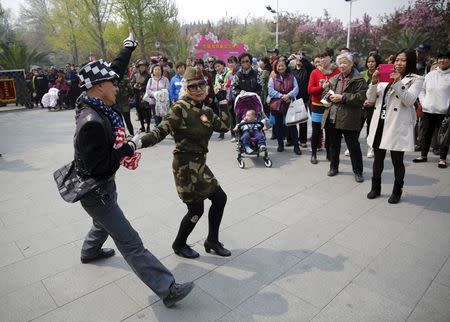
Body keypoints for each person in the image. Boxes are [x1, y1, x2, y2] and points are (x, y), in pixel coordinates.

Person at [75, 34, 193, 308]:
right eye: (113, 83)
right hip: (96, 189)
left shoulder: (92, 98)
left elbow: (113, 70)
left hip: (101, 186)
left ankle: (88, 251)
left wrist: (128, 47)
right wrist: (128, 147)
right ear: (100, 86)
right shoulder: (91, 121)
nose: (118, 85)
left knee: (101, 221)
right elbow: (99, 165)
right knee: (129, 241)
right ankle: (167, 288)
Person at [131, 66, 232, 259]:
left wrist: (224, 101)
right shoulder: (180, 108)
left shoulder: (207, 111)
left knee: (220, 198)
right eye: (193, 86)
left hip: (200, 165)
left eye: (201, 85)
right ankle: (179, 244)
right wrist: (137, 143)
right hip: (184, 166)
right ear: (186, 89)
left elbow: (225, 126)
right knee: (196, 209)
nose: (199, 89)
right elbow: (161, 131)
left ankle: (212, 241)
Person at [366, 48, 424, 203]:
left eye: (403, 60)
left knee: (397, 160)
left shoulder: (417, 79)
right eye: (397, 59)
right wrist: (374, 82)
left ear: (410, 61)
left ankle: (397, 190)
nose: (398, 63)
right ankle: (375, 187)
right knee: (378, 157)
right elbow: (371, 99)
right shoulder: (385, 74)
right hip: (380, 121)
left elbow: (409, 100)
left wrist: (398, 82)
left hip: (397, 123)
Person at [322, 52, 367, 182]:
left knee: (353, 146)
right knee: (334, 145)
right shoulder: (335, 78)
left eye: (344, 63)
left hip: (349, 118)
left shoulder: (359, 80)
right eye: (340, 63)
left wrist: (343, 97)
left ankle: (358, 171)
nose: (341, 65)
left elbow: (361, 98)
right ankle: (333, 167)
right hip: (333, 116)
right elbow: (326, 92)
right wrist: (328, 94)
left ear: (351, 64)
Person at [413, 50, 450, 168]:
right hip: (428, 110)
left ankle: (442, 158)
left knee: (443, 136)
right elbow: (421, 90)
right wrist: (424, 103)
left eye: (445, 58)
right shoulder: (430, 75)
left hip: (444, 111)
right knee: (426, 134)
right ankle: (423, 155)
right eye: (440, 58)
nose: (442, 60)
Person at [307, 50, 340, 164]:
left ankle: (328, 154)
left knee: (330, 131)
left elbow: (339, 87)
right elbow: (310, 90)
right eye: (320, 57)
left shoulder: (337, 71)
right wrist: (322, 87)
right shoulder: (315, 72)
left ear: (331, 58)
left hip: (330, 106)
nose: (322, 60)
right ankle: (313, 154)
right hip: (317, 106)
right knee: (316, 131)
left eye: (324, 57)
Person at [268, 59, 300, 154]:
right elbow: (271, 91)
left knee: (292, 126)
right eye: (279, 66)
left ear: (286, 67)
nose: (281, 67)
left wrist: (289, 95)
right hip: (277, 104)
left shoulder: (291, 77)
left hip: (289, 103)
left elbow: (296, 89)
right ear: (276, 68)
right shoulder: (273, 78)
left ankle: (296, 146)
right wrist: (281, 96)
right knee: (278, 126)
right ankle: (280, 145)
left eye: (282, 66)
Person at [360, 53, 383, 158]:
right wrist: (363, 100)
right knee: (356, 127)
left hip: (374, 106)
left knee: (371, 128)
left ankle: (371, 148)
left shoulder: (381, 75)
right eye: (368, 62)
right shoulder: (362, 74)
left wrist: (372, 102)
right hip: (361, 105)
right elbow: (359, 90)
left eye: (373, 61)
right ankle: (352, 146)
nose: (370, 64)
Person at [289, 52, 314, 148]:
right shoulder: (291, 70)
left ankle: (302, 140)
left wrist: (302, 58)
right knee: (292, 120)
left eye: (300, 59)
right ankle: (291, 139)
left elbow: (310, 67)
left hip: (304, 98)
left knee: (303, 120)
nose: (298, 60)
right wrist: (289, 59)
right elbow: (281, 67)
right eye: (297, 59)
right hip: (293, 97)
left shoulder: (306, 70)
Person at [130, 59, 150, 132]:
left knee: (147, 112)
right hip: (137, 95)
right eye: (141, 66)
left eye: (144, 66)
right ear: (139, 67)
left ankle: (148, 126)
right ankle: (142, 126)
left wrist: (142, 87)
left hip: (145, 95)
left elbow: (150, 85)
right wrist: (134, 85)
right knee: (139, 112)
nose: (142, 67)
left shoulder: (148, 75)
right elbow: (131, 83)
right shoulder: (135, 75)